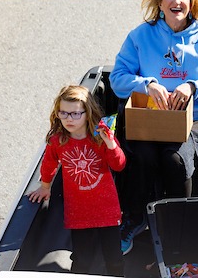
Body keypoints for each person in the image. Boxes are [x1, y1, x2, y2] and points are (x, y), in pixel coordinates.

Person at [110, 0, 198, 255]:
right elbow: (118, 79)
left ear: (192, 2)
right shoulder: (141, 36)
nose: (176, 1)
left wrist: (193, 87)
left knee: (174, 158)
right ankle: (135, 219)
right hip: (151, 117)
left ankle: (177, 226)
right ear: (160, 3)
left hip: (197, 119)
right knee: (143, 155)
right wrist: (146, 84)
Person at [28, 85, 126, 276]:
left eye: (75, 114)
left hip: (106, 209)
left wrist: (111, 143)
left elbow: (119, 165)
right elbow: (49, 164)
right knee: (81, 260)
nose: (68, 119)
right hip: (78, 212)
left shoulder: (100, 137)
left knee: (114, 259)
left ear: (88, 113)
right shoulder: (58, 140)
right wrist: (45, 187)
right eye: (63, 113)